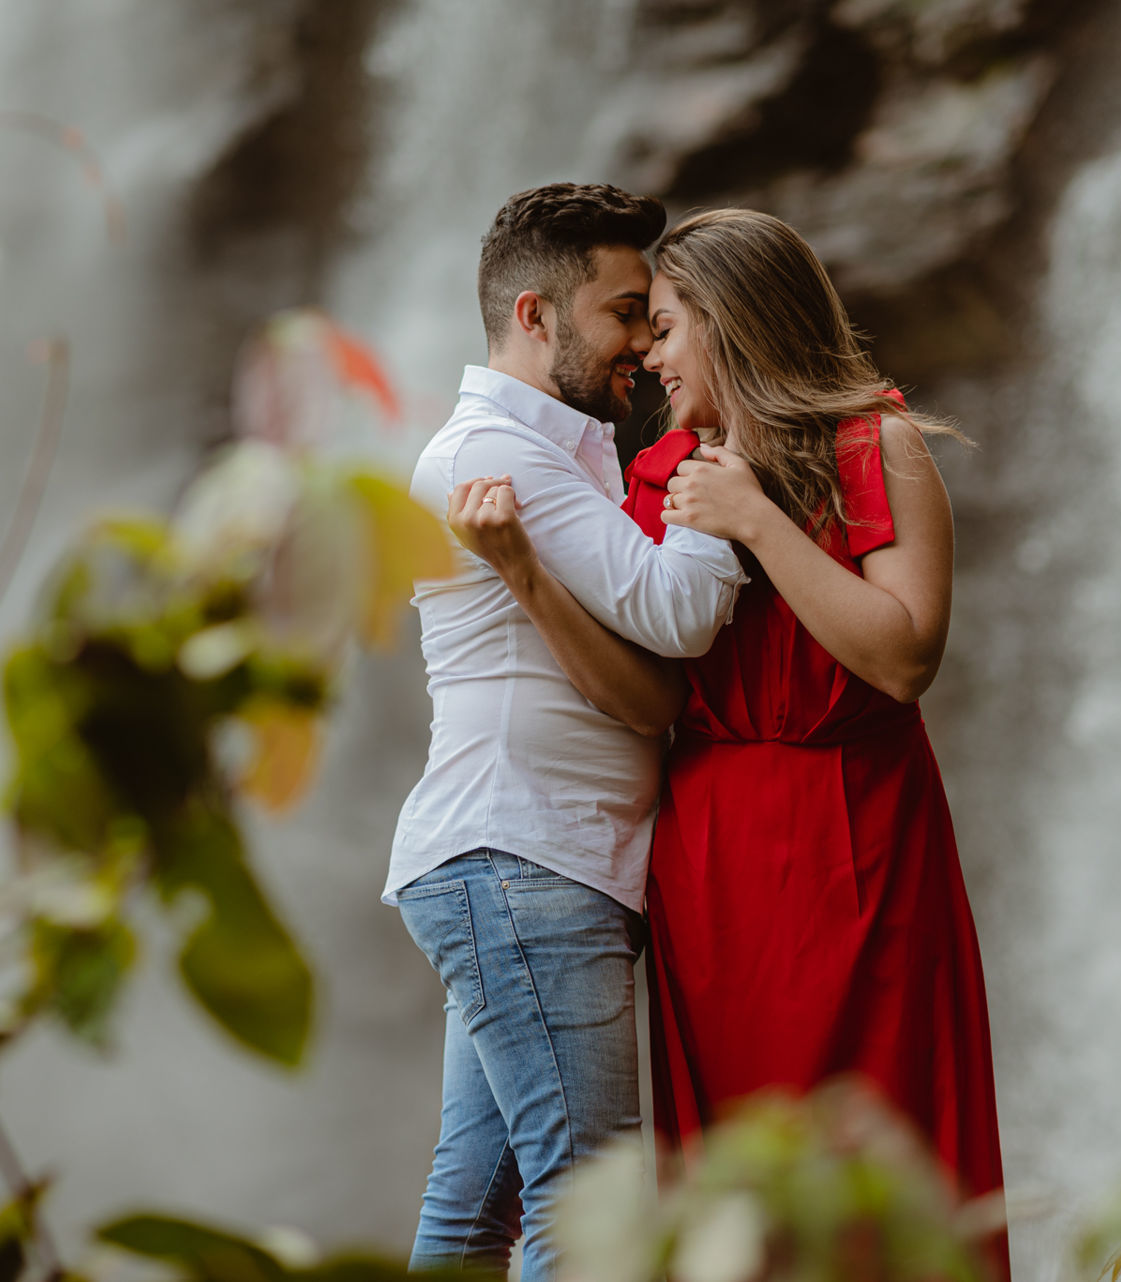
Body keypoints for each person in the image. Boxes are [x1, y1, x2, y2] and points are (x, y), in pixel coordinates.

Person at [450, 207, 1009, 1278]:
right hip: (709, 864)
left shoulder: (877, 445)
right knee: (737, 1191)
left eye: (663, 327)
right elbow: (649, 698)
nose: (647, 357)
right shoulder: (654, 479)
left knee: (884, 1159)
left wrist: (757, 520)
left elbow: (901, 659)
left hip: (863, 842)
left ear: (732, 321)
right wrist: (525, 575)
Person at [387, 184, 746, 1281]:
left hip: (526, 862)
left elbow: (647, 687)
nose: (643, 340)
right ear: (535, 316)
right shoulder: (498, 453)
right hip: (523, 858)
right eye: (624, 312)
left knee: (477, 1199)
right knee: (588, 1202)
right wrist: (719, 480)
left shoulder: (557, 450)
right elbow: (679, 612)